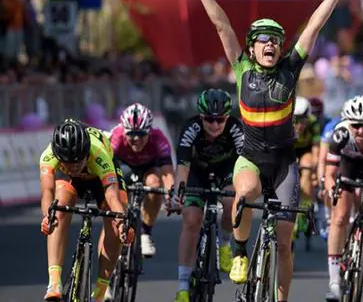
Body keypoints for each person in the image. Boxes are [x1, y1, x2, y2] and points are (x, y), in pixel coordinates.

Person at [185, 0, 350, 302]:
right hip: (251, 157)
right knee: (244, 196)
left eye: (276, 40)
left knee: (285, 244)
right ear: (252, 47)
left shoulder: (291, 67)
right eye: (263, 40)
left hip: (284, 162)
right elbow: (222, 27)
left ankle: (280, 297)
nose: (270, 45)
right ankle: (241, 250)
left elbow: (314, 27)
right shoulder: (242, 67)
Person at [39, 119, 131, 302]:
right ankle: (54, 282)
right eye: (68, 161)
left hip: (99, 177)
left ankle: (101, 289)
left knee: (116, 216)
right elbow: (47, 192)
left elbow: (112, 195)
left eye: (78, 160)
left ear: (86, 151)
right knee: (57, 209)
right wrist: (48, 216)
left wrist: (122, 222)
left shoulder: (98, 153)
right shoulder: (48, 156)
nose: (74, 166)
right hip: (71, 182)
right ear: (58, 154)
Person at [169, 89, 244, 302]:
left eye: (220, 120)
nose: (214, 125)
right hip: (197, 172)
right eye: (209, 120)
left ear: (227, 117)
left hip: (227, 169)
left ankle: (225, 243)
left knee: (232, 201)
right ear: (201, 117)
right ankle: (183, 285)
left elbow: (244, 166)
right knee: (191, 220)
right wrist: (178, 193)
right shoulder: (190, 129)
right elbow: (182, 166)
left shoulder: (236, 129)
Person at [323, 96, 363, 300]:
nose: (360, 131)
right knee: (340, 217)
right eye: (355, 126)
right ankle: (334, 280)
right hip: (347, 167)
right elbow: (330, 174)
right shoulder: (340, 134)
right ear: (348, 123)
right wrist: (332, 188)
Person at [109, 103, 174, 257]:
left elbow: (167, 173)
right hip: (123, 166)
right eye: (131, 134)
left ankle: (146, 233)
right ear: (124, 131)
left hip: (148, 167)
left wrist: (170, 194)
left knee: (155, 184)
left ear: (149, 131)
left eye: (141, 134)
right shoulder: (116, 138)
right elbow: (105, 170)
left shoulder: (159, 139)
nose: (136, 138)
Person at [292, 96, 321, 240]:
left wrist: (315, 172)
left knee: (308, 166)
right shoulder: (285, 124)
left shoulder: (313, 123)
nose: (299, 125)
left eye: (302, 120)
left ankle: (304, 208)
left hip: (305, 151)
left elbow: (316, 150)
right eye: (295, 120)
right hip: (289, 150)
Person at [317, 113, 344, 239]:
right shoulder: (331, 127)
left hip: (349, 161)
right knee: (329, 185)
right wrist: (322, 183)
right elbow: (322, 159)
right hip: (332, 159)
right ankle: (328, 216)